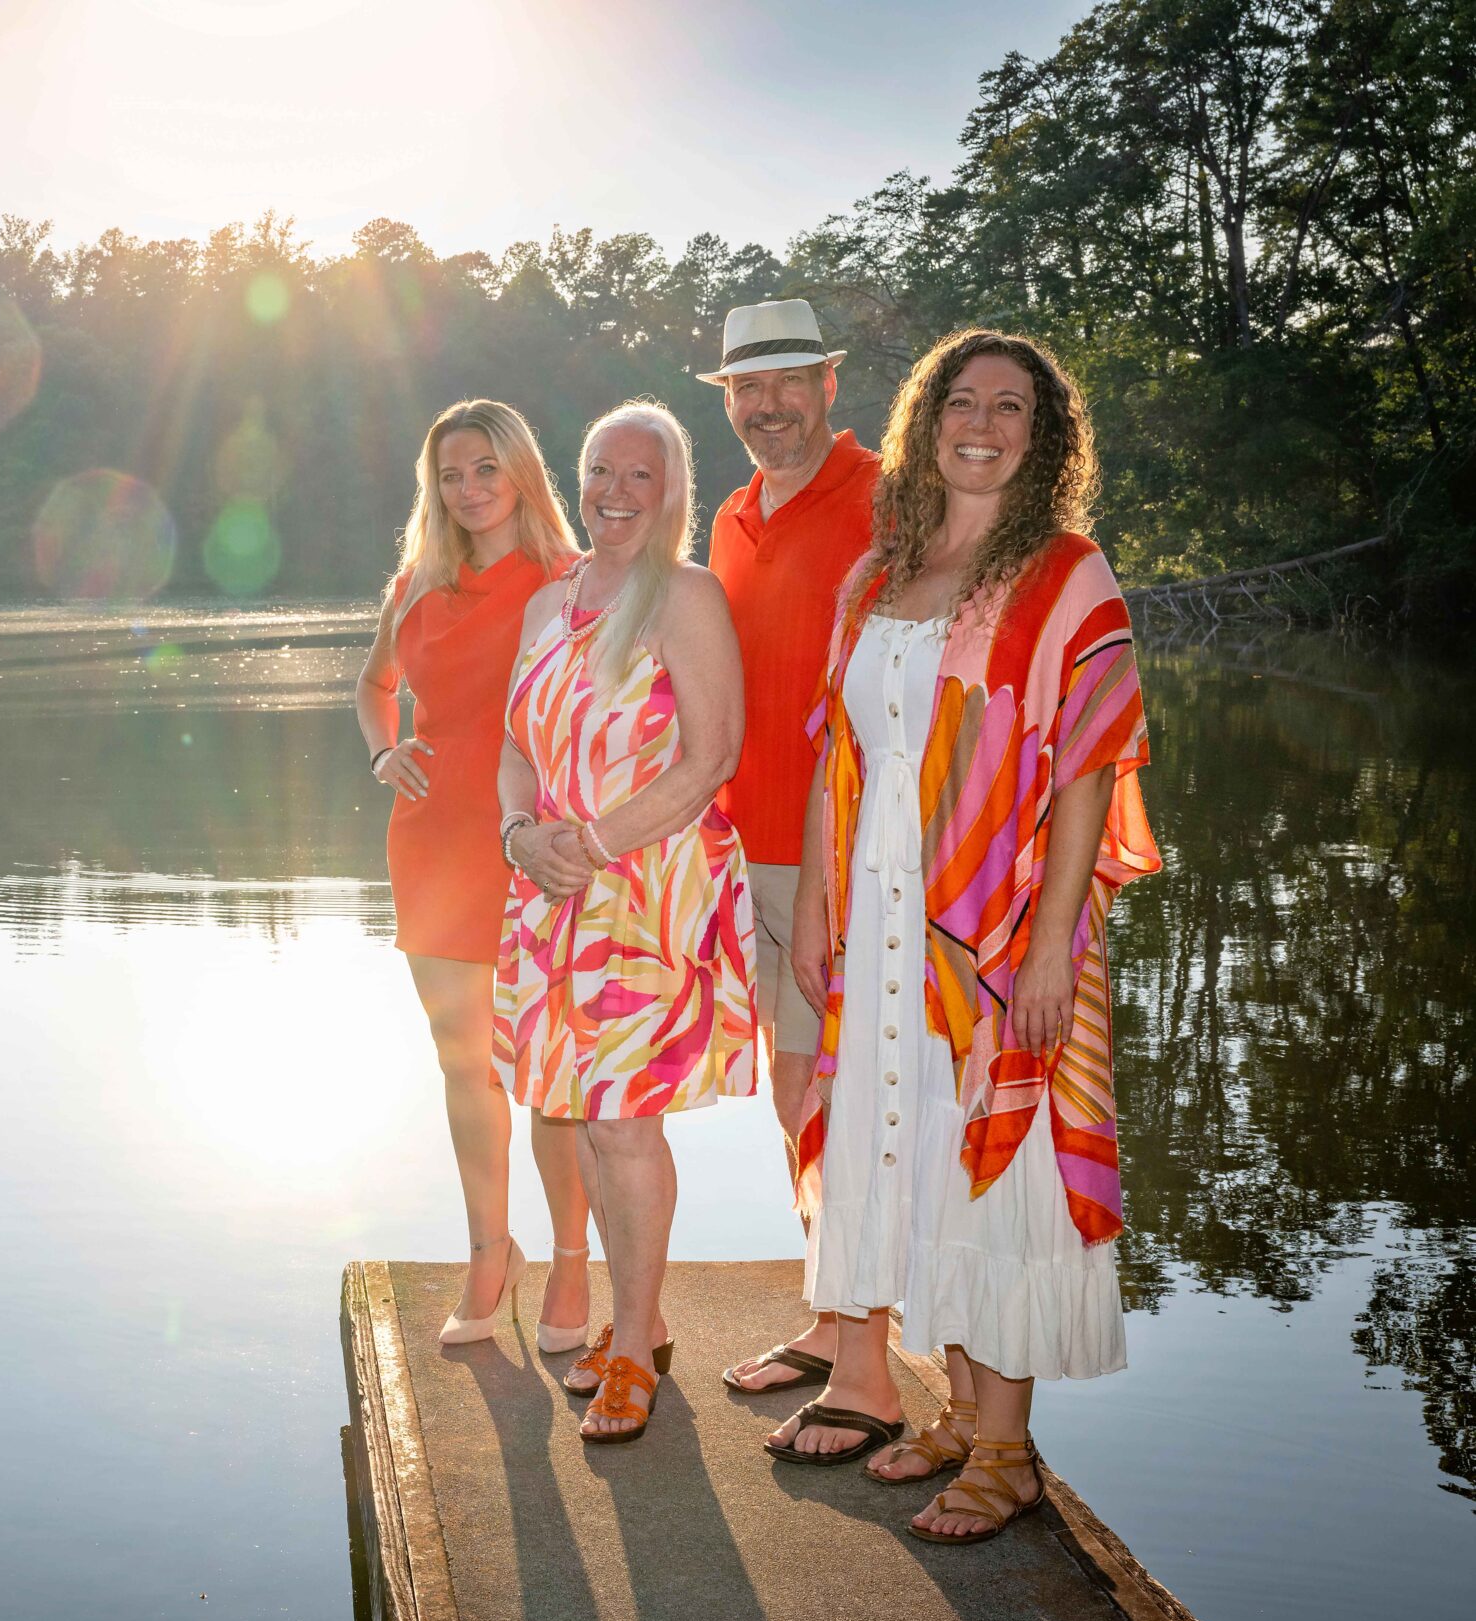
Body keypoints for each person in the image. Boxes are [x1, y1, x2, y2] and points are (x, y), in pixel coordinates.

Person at [761, 329, 1161, 1549]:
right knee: (910, 1143)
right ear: (925, 422)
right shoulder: (874, 573)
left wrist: (1048, 948)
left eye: (1011, 408)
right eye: (961, 402)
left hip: (992, 924)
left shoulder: (1067, 571)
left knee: (1001, 1156)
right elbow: (844, 752)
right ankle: (953, 1409)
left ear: (1042, 441)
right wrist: (819, 911)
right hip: (880, 916)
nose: (981, 423)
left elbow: (1090, 769)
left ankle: (1008, 1447)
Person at [493, 400, 758, 1442]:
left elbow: (711, 755)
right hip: (552, 888)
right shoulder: (547, 604)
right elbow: (515, 741)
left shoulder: (684, 596)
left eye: (637, 475)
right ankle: (630, 1323)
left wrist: (592, 846)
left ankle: (638, 1343)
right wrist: (521, 834)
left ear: (670, 490)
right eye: (599, 470)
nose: (612, 491)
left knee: (621, 1120)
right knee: (589, 1121)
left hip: (645, 886)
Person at [357, 399, 592, 1349]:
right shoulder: (417, 582)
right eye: (451, 474)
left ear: (522, 474)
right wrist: (385, 752)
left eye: (486, 469)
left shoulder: (571, 580)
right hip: (431, 841)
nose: (469, 489)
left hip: (532, 845)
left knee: (552, 1069)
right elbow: (375, 687)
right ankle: (489, 1254)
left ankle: (573, 1266)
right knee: (465, 1063)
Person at [695, 299, 883, 1400]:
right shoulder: (728, 517)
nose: (766, 408)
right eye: (744, 390)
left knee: (850, 1087)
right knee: (793, 1083)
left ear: (826, 384)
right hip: (743, 853)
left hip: (847, 858)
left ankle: (856, 1332)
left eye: (785, 384)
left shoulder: (884, 499)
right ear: (727, 401)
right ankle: (831, 1309)